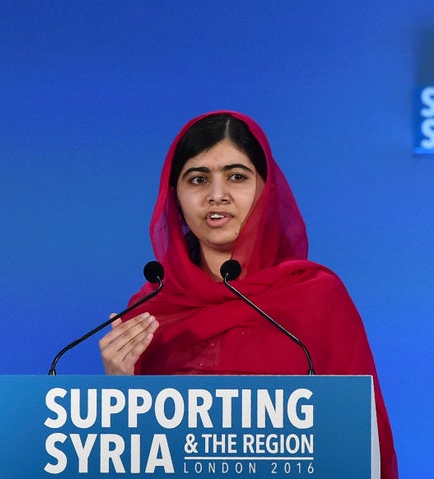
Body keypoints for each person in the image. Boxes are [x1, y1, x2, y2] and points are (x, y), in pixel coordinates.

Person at [99, 110, 398, 478]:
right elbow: (134, 461)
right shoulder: (147, 315)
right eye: (198, 179)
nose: (217, 195)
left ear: (264, 188)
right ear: (174, 195)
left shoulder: (316, 299)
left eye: (237, 177)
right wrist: (118, 393)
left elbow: (365, 443)